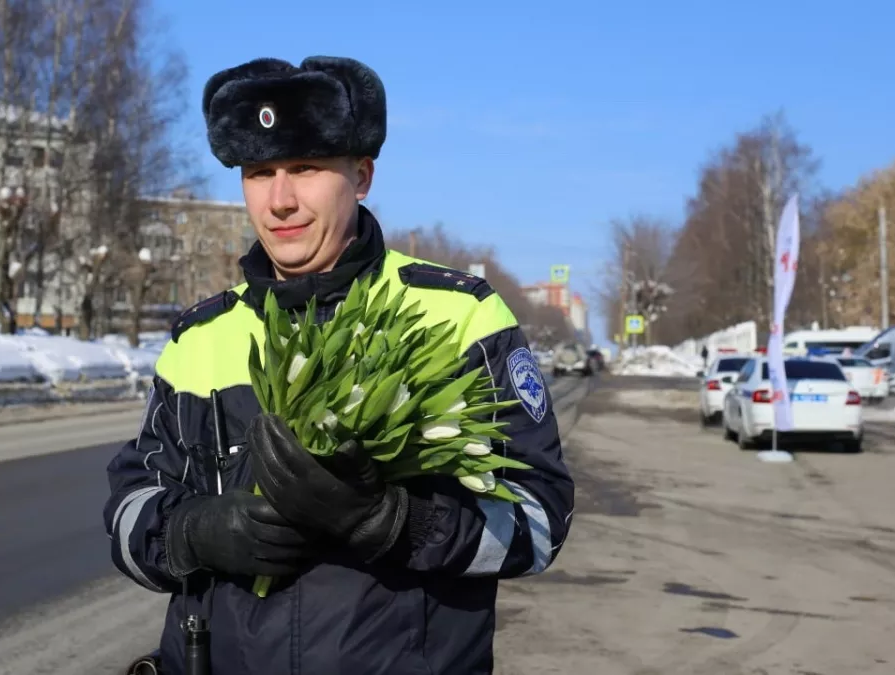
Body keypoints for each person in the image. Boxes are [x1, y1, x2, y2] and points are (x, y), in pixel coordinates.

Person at [103, 55, 575, 675]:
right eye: (259, 172)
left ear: (362, 175)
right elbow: (128, 511)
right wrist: (194, 533)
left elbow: (539, 522)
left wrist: (398, 523)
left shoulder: (459, 314)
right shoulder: (202, 337)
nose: (280, 200)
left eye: (305, 167)